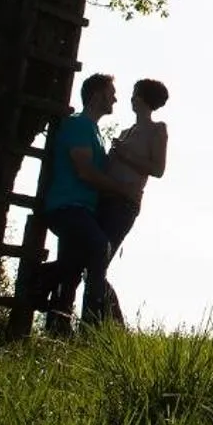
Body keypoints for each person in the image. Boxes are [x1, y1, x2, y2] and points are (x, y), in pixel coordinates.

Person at [40, 72, 138, 335]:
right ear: (97, 95)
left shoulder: (94, 131)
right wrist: (122, 189)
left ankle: (58, 328)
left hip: (82, 209)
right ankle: (93, 323)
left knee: (74, 267)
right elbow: (84, 169)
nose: (115, 99)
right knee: (99, 247)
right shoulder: (79, 125)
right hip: (67, 206)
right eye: (111, 93)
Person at [100, 78, 169, 255]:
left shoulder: (157, 130)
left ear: (140, 99)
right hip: (104, 197)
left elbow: (158, 169)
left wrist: (126, 154)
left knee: (101, 256)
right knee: (87, 255)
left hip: (125, 203)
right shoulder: (125, 133)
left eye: (134, 95)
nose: (131, 100)